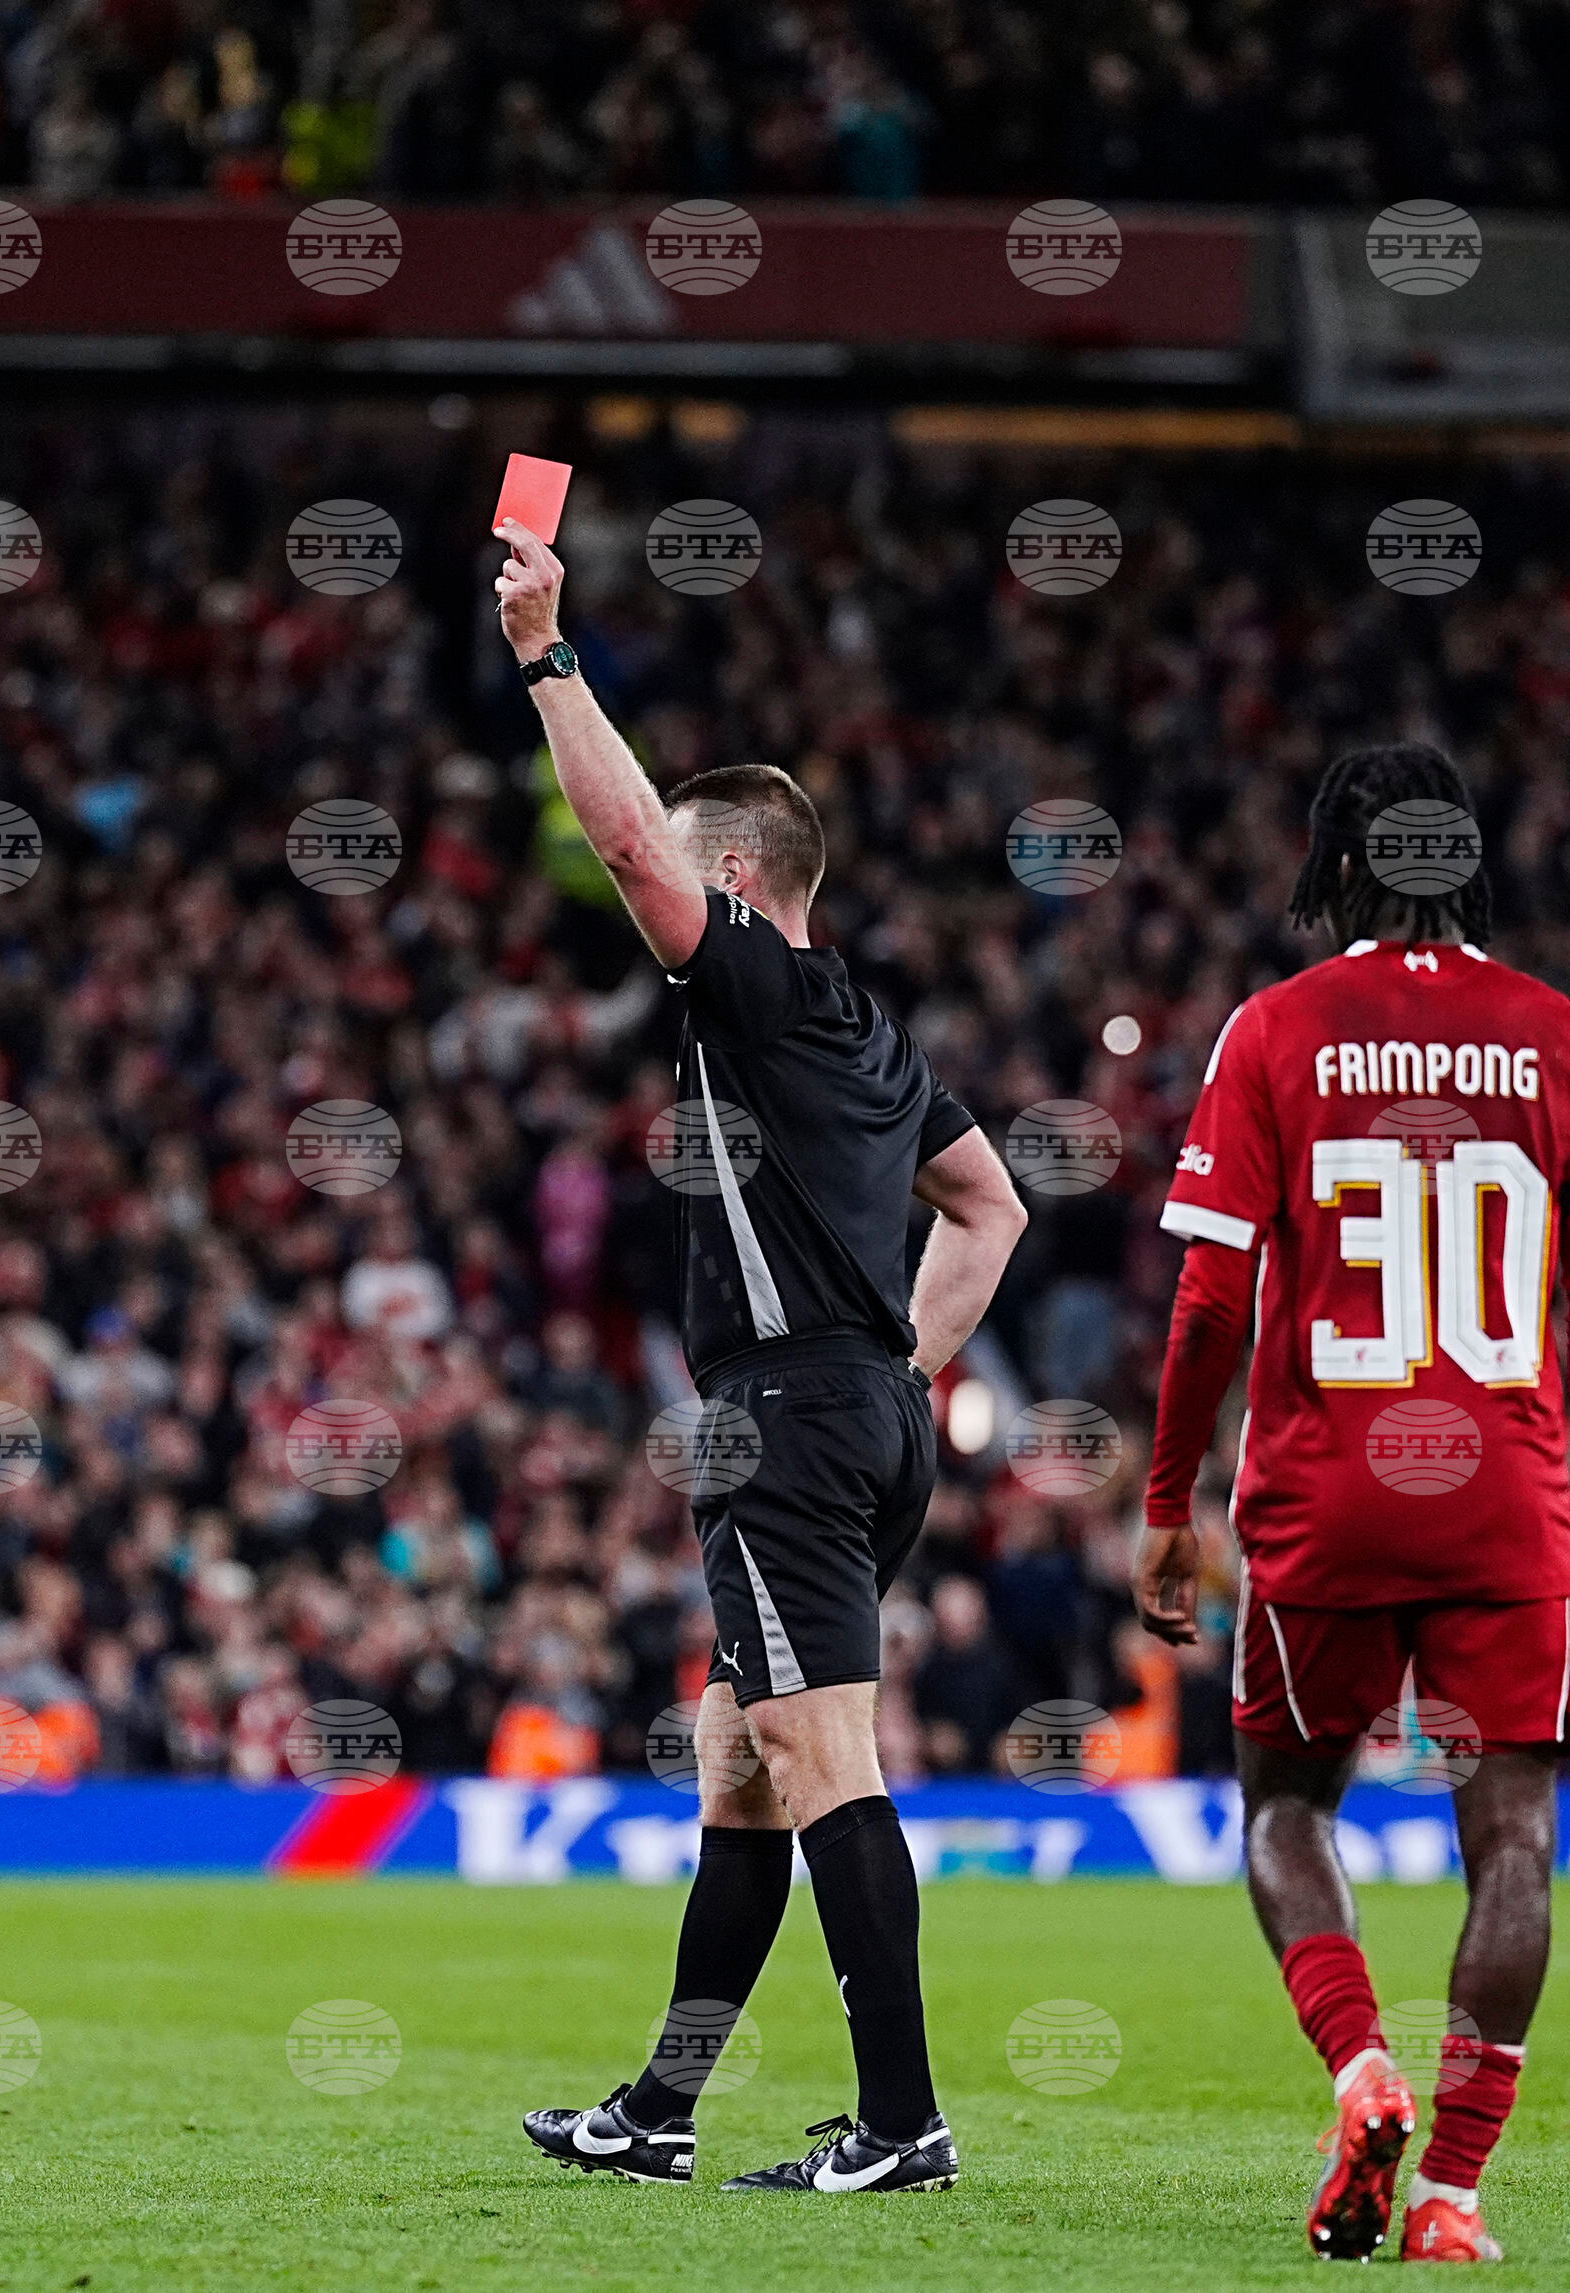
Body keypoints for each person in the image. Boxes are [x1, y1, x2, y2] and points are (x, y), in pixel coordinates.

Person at [492, 517, 1027, 2196]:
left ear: (733, 877)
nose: (651, 892)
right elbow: (991, 1203)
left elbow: (622, 841)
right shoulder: (867, 1028)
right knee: (740, 1762)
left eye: (683, 868)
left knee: (815, 1754)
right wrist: (907, 1366)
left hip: (789, 1414)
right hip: (860, 1409)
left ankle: (904, 2122)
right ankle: (661, 2107)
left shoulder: (761, 991)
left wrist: (546, 653)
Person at [1135, 743, 1570, 2265]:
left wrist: (1167, 1495)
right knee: (1515, 1842)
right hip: (1506, 1498)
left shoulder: (1275, 1029)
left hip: (1327, 1494)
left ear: (1339, 865)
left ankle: (1362, 2068)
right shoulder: (1567, 1039)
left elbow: (1210, 1296)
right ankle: (1453, 2196)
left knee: (1288, 1805)